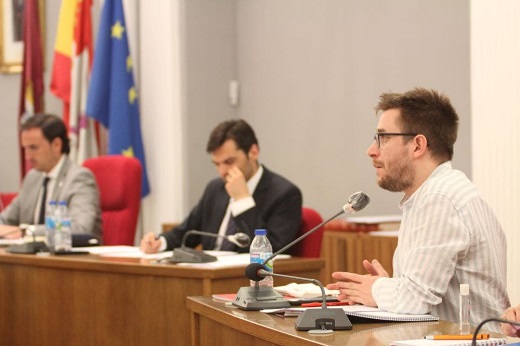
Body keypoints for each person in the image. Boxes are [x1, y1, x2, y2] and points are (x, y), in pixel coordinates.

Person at [327, 88, 510, 329]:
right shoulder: (436, 192)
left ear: (417, 145)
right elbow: (421, 295)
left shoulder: (439, 198)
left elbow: (415, 300)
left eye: (382, 138)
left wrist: (377, 289)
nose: (371, 150)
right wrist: (390, 287)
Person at [140, 119, 302, 254]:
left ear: (253, 152)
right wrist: (159, 243)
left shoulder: (285, 194)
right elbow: (187, 233)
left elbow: (272, 250)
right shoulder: (215, 188)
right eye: (217, 164)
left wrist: (243, 201)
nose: (222, 172)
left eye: (229, 162)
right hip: (210, 275)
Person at [0, 114, 102, 238]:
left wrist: (28, 232)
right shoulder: (32, 178)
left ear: (56, 145)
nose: (27, 157)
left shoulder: (79, 178)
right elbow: (5, 220)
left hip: (70, 256)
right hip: (33, 256)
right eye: (25, 149)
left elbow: (80, 228)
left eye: (33, 148)